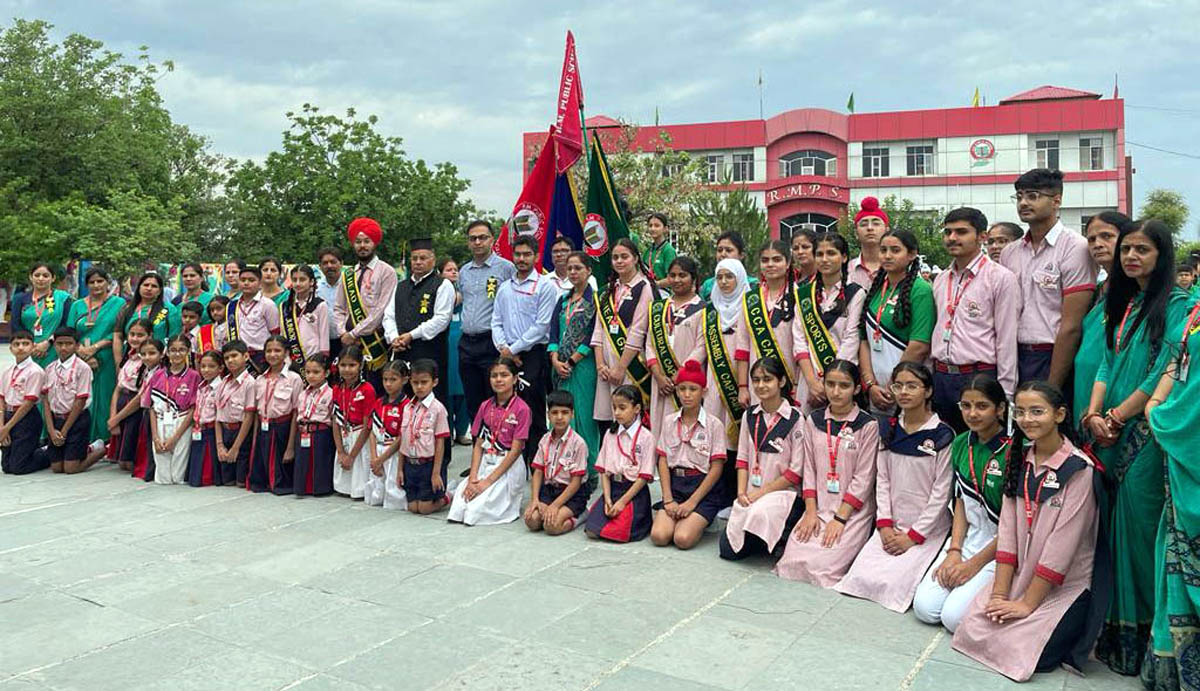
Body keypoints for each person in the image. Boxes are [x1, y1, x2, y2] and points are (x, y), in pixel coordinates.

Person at [1081, 219, 1192, 675]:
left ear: (1161, 254)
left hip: (1142, 435)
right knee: (1110, 529)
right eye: (1127, 249)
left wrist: (1116, 417)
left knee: (1140, 530)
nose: (1130, 257)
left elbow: (1161, 372)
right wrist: (1092, 414)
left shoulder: (1180, 305)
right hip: (1106, 428)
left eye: (1142, 250)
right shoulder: (1123, 304)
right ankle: (1113, 632)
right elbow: (1108, 360)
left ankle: (1150, 640)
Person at [952, 382, 1106, 682]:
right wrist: (1000, 594)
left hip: (1063, 585)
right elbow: (1008, 532)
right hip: (1019, 576)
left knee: (1028, 651)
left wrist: (1025, 604)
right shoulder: (1018, 459)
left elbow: (1061, 550)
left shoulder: (1079, 470)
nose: (1027, 419)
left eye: (1037, 412)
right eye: (1020, 412)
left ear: (1059, 414)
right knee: (971, 625)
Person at [836, 362, 955, 612]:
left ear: (928, 391)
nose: (904, 392)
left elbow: (941, 493)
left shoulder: (943, 435)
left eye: (912, 386)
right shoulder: (889, 430)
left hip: (925, 531)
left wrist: (913, 536)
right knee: (859, 579)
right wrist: (885, 524)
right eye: (898, 386)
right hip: (891, 526)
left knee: (894, 586)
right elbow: (883, 481)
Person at [912, 375, 1011, 632]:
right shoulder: (960, 442)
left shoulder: (1014, 451)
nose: (972, 413)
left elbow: (1015, 527)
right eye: (966, 406)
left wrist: (972, 565)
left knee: (954, 619)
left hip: (1001, 546)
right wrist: (955, 552)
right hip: (967, 539)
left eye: (982, 406)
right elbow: (961, 502)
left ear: (1000, 409)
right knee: (925, 609)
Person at [774, 359, 879, 587]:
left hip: (851, 513)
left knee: (822, 570)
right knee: (791, 563)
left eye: (844, 386)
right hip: (819, 508)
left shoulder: (868, 425)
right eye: (830, 384)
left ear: (857, 388)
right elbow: (809, 470)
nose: (836, 391)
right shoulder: (814, 420)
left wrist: (840, 519)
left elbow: (864, 478)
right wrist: (810, 512)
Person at [1143, 276, 1200, 687]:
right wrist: (1156, 402)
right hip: (1179, 446)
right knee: (1175, 556)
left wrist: (1164, 415)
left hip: (1189, 438)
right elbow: (1177, 358)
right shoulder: (1196, 307)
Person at [1001, 169, 1097, 388]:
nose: (1023, 203)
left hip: (1052, 354)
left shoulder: (1075, 247)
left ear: (1056, 201)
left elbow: (1071, 325)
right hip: (1012, 353)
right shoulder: (1010, 252)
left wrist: (1053, 385)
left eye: (1033, 196)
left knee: (1048, 415)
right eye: (1019, 197)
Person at [931, 207, 1019, 432]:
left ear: (982, 237)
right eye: (948, 232)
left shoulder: (1000, 278)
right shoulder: (941, 279)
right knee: (945, 448)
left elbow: (1006, 339)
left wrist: (1005, 394)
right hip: (941, 377)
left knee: (981, 449)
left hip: (979, 376)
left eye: (961, 232)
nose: (952, 238)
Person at [720, 356, 804, 560]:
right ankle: (763, 539)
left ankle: (779, 535)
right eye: (756, 380)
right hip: (751, 492)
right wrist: (741, 492)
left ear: (781, 382)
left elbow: (795, 473)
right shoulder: (750, 416)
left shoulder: (795, 418)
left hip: (782, 494)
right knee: (728, 551)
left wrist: (761, 493)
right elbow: (742, 459)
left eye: (767, 379)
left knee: (758, 516)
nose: (761, 385)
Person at [489, 235, 558, 461]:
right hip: (506, 354)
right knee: (506, 405)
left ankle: (535, 462)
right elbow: (496, 321)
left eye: (527, 254)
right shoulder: (505, 288)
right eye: (517, 254)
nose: (521, 258)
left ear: (536, 257)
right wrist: (504, 349)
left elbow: (541, 325)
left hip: (533, 355)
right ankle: (508, 457)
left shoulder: (545, 286)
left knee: (532, 407)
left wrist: (514, 349)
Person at [651, 360, 727, 550]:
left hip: (701, 488)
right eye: (682, 389)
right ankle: (677, 516)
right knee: (659, 537)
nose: (687, 394)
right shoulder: (669, 421)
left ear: (704, 391)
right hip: (676, 486)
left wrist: (692, 502)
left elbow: (716, 468)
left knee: (682, 539)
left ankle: (702, 519)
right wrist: (668, 498)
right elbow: (663, 460)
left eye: (693, 389)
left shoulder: (714, 424)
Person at [858, 230, 936, 414]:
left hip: (906, 387)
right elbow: (864, 340)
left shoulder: (920, 290)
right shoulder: (876, 288)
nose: (887, 256)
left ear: (911, 254)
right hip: (876, 389)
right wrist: (870, 385)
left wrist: (894, 385)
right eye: (883, 250)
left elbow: (919, 345)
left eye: (895, 250)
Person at [452, 357, 528, 524]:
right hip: (486, 461)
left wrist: (486, 482)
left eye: (504, 375)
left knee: (475, 511)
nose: (499, 380)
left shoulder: (522, 409)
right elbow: (478, 445)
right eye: (494, 376)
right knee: (459, 507)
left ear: (515, 379)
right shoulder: (485, 406)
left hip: (507, 465)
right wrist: (473, 478)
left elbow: (515, 451)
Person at [794, 232, 866, 410]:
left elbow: (851, 339)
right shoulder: (804, 294)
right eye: (819, 254)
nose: (824, 259)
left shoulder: (856, 293)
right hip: (808, 380)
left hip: (841, 381)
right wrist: (812, 383)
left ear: (844, 257)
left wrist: (829, 383)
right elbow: (799, 340)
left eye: (831, 253)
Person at [1072, 212, 1131, 420]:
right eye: (1091, 239)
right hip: (1084, 386)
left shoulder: (1138, 293)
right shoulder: (1096, 291)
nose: (1097, 244)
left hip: (1119, 391)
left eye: (1107, 236)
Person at [458, 220, 516, 431]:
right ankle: (478, 454)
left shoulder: (506, 268)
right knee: (473, 402)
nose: (478, 242)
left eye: (482, 237)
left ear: (492, 239)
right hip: (466, 344)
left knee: (496, 398)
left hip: (491, 342)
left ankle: (498, 451)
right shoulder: (464, 271)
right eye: (473, 238)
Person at [592, 238, 656, 427]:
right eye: (615, 257)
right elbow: (598, 330)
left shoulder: (644, 288)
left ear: (635, 258)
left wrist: (620, 368)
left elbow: (638, 331)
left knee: (631, 420)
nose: (619, 261)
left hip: (629, 365)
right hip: (606, 368)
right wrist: (600, 365)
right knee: (609, 422)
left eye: (624, 257)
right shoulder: (607, 291)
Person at [704, 259, 752, 513]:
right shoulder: (711, 309)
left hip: (743, 376)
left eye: (729, 277)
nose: (723, 282)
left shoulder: (749, 305)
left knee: (740, 437)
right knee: (718, 435)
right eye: (719, 276)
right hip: (715, 379)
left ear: (740, 278)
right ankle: (717, 494)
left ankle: (738, 492)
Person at [385, 237, 454, 411]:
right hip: (401, 353)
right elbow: (388, 315)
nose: (418, 262)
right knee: (403, 402)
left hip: (429, 353)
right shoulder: (400, 286)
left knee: (432, 404)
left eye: (423, 258)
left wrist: (411, 335)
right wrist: (394, 337)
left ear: (433, 260)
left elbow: (441, 319)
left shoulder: (442, 285)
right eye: (414, 258)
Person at [548, 251, 600, 477]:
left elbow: (592, 334)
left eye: (578, 268)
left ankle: (588, 470)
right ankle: (560, 467)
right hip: (558, 368)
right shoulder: (563, 300)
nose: (573, 272)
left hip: (583, 366)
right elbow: (553, 333)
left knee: (584, 416)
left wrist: (571, 360)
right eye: (570, 268)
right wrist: (555, 359)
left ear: (588, 270)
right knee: (560, 415)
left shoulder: (596, 301)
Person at [333, 218, 398, 395]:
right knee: (350, 392)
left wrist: (355, 333)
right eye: (358, 242)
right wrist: (343, 333)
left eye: (366, 241)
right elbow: (339, 308)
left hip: (374, 342)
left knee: (375, 391)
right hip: (349, 343)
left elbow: (381, 310)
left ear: (374, 243)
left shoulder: (387, 271)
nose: (362, 245)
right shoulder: (347, 274)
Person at [586, 384, 655, 543]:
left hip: (632, 492)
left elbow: (644, 477)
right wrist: (608, 499)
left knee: (618, 534)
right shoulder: (610, 434)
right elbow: (603, 470)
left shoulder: (646, 437)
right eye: (614, 407)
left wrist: (622, 502)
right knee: (592, 530)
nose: (616, 413)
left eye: (622, 408)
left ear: (637, 408)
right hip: (613, 488)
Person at [646, 256, 706, 434]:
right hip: (660, 381)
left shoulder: (703, 309)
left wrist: (679, 375)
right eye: (672, 275)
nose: (677, 280)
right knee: (659, 427)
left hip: (688, 380)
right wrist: (658, 374)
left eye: (683, 275)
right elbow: (649, 343)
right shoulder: (658, 308)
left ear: (693, 278)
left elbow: (701, 347)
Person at [736, 241, 800, 407]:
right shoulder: (751, 299)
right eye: (765, 260)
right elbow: (742, 347)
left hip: (793, 379)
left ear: (788, 263)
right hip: (759, 382)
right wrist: (742, 387)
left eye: (777, 259)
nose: (770, 264)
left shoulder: (799, 295)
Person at [67, 267, 125, 443]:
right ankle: (85, 440)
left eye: (100, 281)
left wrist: (96, 348)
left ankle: (107, 440)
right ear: (86, 285)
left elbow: (119, 331)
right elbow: (70, 331)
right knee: (82, 398)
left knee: (106, 397)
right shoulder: (77, 305)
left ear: (108, 283)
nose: (96, 285)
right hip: (80, 357)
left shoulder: (118, 303)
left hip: (107, 357)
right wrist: (81, 352)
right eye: (92, 282)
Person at [524, 389, 590, 535]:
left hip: (573, 493)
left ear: (572, 414)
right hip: (550, 489)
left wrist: (555, 506)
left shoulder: (578, 443)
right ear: (548, 415)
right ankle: (553, 510)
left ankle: (581, 515)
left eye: (565, 412)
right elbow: (538, 471)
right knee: (532, 521)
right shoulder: (545, 440)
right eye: (554, 413)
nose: (559, 417)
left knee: (551, 526)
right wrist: (534, 500)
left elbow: (576, 482)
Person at [247, 336, 303, 494]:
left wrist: (290, 446)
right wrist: (255, 440)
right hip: (263, 429)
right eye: (269, 351)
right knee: (259, 480)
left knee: (281, 479)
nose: (273, 354)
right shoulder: (259, 379)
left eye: (277, 350)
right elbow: (257, 412)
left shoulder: (294, 379)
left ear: (286, 353)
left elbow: (295, 413)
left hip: (283, 430)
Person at [142, 335, 200, 485]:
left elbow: (194, 409)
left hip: (182, 422)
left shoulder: (194, 376)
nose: (177, 354)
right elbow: (151, 408)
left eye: (181, 350)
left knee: (177, 475)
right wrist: (155, 437)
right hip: (161, 421)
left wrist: (176, 437)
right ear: (167, 352)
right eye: (173, 350)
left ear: (188, 351)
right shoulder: (157, 375)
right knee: (162, 477)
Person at [331, 345, 377, 499]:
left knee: (358, 476)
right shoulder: (337, 388)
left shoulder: (367, 389)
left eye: (352, 365)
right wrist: (341, 452)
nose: (347, 369)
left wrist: (351, 456)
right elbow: (335, 420)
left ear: (360, 365)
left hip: (359, 437)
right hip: (344, 434)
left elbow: (367, 426)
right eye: (343, 365)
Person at [107, 320, 152, 473]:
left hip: (134, 408)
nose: (135, 338)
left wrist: (117, 418)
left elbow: (140, 397)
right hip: (121, 404)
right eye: (132, 334)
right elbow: (117, 389)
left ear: (149, 336)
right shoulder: (128, 357)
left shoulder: (148, 361)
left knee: (128, 463)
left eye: (140, 335)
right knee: (120, 462)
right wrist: (113, 416)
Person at [365, 360, 411, 509]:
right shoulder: (379, 402)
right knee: (376, 487)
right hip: (377, 451)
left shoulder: (406, 405)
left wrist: (382, 458)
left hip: (394, 453)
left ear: (404, 380)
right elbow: (372, 430)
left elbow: (402, 437)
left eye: (393, 379)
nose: (388, 384)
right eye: (385, 379)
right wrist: (374, 457)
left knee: (394, 493)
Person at [1, 331, 47, 474]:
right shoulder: (7, 372)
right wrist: (2, 427)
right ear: (10, 348)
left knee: (18, 468)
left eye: (25, 344)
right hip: (8, 416)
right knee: (7, 467)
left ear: (33, 347)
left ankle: (49, 452)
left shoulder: (35, 371)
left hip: (26, 418)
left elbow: (28, 403)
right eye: (16, 344)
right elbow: (1, 399)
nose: (21, 348)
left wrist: (7, 427)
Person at [13, 263, 73, 367]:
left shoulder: (63, 298)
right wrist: (31, 345)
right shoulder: (20, 299)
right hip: (27, 350)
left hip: (55, 348)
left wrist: (48, 342)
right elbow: (16, 325)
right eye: (37, 275)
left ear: (53, 278)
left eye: (45, 276)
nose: (41, 279)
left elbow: (66, 324)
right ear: (31, 277)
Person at [292, 354, 336, 497]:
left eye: (316, 372)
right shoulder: (303, 393)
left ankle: (320, 488)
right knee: (302, 462)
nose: (311, 376)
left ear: (326, 373)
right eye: (308, 372)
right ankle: (302, 488)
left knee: (320, 461)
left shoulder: (331, 393)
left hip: (321, 432)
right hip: (303, 430)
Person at [226, 265, 281, 374]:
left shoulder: (267, 304)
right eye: (243, 280)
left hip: (260, 357)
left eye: (251, 280)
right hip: (238, 356)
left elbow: (275, 332)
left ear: (260, 283)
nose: (246, 283)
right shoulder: (231, 306)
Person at [215, 340, 256, 486]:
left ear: (245, 356)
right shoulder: (222, 383)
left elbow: (249, 416)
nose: (230, 360)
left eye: (234, 356)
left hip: (241, 434)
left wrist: (236, 447)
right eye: (226, 358)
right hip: (225, 433)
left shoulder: (250, 383)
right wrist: (220, 444)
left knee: (240, 482)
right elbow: (217, 416)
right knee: (227, 482)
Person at [439, 257, 470, 445]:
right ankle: (448, 431)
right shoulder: (439, 294)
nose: (453, 272)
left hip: (463, 347)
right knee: (447, 391)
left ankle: (461, 431)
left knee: (464, 389)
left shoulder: (464, 294)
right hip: (446, 349)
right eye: (448, 269)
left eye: (455, 269)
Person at [114, 272, 181, 352]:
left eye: (154, 286)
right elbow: (118, 336)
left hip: (158, 358)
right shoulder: (127, 309)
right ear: (139, 288)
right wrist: (119, 362)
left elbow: (175, 337)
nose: (149, 288)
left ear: (160, 291)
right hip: (130, 358)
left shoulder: (168, 309)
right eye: (146, 285)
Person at [186, 350, 225, 487]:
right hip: (198, 429)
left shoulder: (220, 387)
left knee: (208, 470)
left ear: (220, 368)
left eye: (211, 366)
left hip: (212, 430)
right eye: (203, 366)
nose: (206, 370)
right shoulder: (201, 386)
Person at [280, 265, 330, 371]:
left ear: (311, 282)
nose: (298, 283)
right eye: (294, 280)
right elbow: (282, 334)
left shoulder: (320, 305)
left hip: (313, 357)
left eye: (302, 280)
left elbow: (324, 334)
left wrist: (322, 357)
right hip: (290, 358)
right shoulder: (285, 306)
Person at [129, 338, 164, 482]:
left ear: (162, 354)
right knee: (145, 442)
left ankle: (152, 471)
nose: (147, 357)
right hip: (145, 411)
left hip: (155, 412)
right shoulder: (146, 371)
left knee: (152, 442)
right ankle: (144, 470)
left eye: (152, 353)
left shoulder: (161, 372)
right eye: (143, 354)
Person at [699, 230, 760, 301]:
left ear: (741, 255)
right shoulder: (708, 286)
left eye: (728, 250)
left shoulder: (754, 285)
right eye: (719, 250)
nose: (723, 254)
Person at [849, 197, 887, 290]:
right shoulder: (846, 269)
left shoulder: (897, 267)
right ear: (856, 233)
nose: (870, 228)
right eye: (864, 224)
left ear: (887, 230)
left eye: (876, 224)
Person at [316, 247, 344, 361]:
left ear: (341, 264)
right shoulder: (316, 289)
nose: (329, 266)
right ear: (320, 267)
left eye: (333, 262)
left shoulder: (351, 286)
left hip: (347, 340)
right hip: (324, 343)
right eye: (325, 263)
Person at [642, 212, 677, 289]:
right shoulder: (648, 250)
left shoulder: (668, 251)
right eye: (650, 226)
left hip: (664, 294)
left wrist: (655, 284)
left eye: (657, 226)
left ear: (665, 229)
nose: (653, 229)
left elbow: (672, 278)